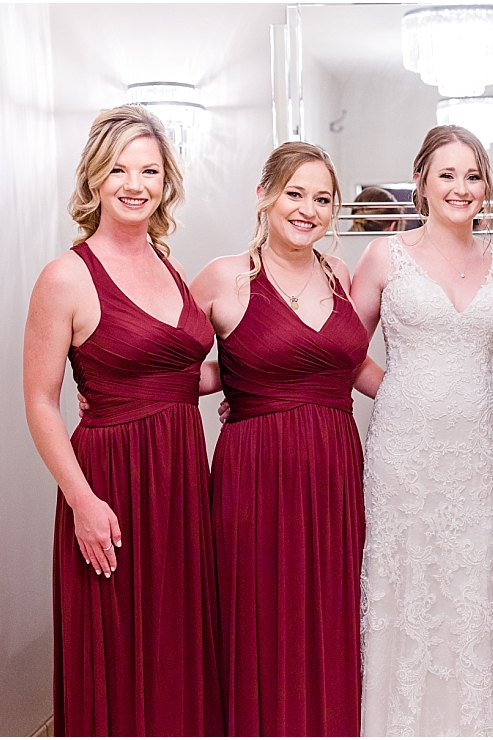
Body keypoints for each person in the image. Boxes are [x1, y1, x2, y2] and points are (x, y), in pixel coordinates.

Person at [22, 105, 222, 736]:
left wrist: (262, 380)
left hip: (183, 479)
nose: (134, 184)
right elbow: (38, 400)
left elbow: (180, 374)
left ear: (166, 184)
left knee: (177, 638)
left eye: (149, 171)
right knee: (118, 641)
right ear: (95, 178)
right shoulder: (66, 277)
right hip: (112, 482)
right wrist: (81, 501)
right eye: (119, 169)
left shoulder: (172, 267)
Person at [345, 125, 493, 736]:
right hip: (405, 451)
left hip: (479, 453)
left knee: (474, 584)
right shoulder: (385, 257)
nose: (460, 187)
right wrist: (399, 391)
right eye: (446, 174)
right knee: (409, 586)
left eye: (472, 175)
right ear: (421, 181)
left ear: (487, 189)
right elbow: (340, 349)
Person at [191, 142, 369, 736]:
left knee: (332, 611)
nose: (308, 209)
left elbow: (352, 365)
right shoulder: (223, 276)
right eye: (296, 193)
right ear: (264, 195)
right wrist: (116, 387)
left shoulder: (341, 275)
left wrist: (431, 400)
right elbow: (174, 362)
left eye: (323, 199)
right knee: (262, 615)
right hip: (256, 470)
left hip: (336, 467)